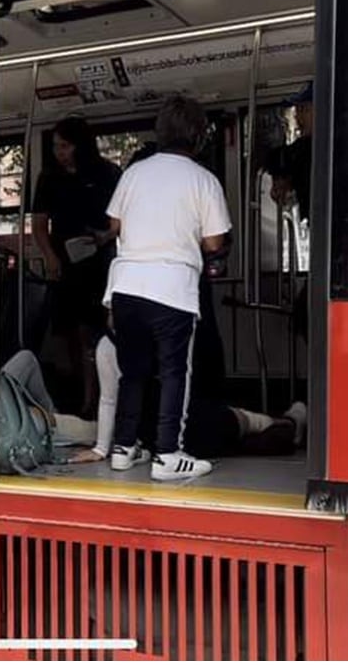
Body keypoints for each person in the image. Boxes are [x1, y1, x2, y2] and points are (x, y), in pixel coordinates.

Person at [104, 95, 233, 481]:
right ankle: (167, 454)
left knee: (134, 372)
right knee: (176, 372)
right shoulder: (203, 179)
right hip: (171, 290)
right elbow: (214, 242)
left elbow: (114, 226)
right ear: (198, 136)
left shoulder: (134, 173)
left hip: (126, 287)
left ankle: (123, 449)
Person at [68, 333, 307, 464]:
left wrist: (103, 448)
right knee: (248, 438)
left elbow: (111, 401)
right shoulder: (109, 346)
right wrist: (101, 449)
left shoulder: (157, 334)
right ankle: (291, 420)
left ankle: (293, 420)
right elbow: (109, 402)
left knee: (249, 429)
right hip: (165, 434)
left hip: (192, 421)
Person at [30, 116, 121, 416]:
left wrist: (104, 236)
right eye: (56, 146)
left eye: (65, 146)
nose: (60, 152)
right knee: (68, 333)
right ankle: (76, 393)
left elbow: (121, 220)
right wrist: (49, 256)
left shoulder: (107, 173)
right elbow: (40, 224)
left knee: (94, 331)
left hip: (99, 260)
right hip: (64, 261)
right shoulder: (49, 178)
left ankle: (95, 400)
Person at [267, 82, 313, 342]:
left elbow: (281, 156)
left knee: (307, 315)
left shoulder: (312, 148)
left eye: (304, 109)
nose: (298, 117)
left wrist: (279, 176)